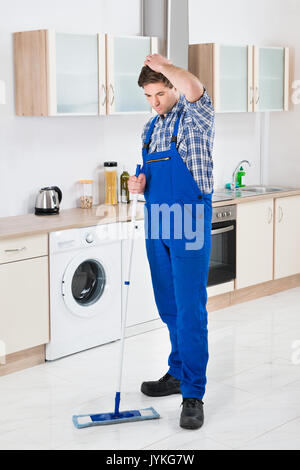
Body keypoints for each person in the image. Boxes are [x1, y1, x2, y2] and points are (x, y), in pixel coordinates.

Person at [128, 53, 214, 430]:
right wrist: (138, 184)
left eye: (160, 93)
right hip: (157, 221)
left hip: (189, 220)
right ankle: (177, 371)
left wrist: (167, 67)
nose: (155, 102)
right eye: (148, 96)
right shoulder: (149, 129)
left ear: (173, 86)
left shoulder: (196, 118)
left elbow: (195, 88)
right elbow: (147, 174)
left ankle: (193, 392)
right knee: (168, 305)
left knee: (190, 307)